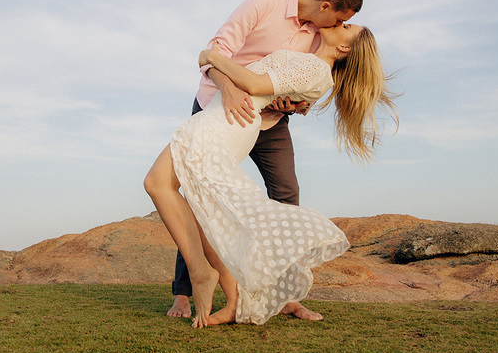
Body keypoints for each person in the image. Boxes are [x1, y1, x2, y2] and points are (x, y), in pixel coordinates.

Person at [144, 21, 396, 327]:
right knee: (202, 206)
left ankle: (202, 274)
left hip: (228, 122)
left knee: (160, 184)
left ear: (344, 47)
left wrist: (214, 58)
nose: (339, 23)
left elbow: (253, 84)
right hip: (225, 117)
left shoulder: (317, 71)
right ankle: (225, 292)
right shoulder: (310, 60)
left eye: (347, 26)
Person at [166, 0, 363, 321]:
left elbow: (302, 84)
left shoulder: (322, 34)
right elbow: (219, 48)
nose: (339, 26)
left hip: (270, 120)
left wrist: (293, 104)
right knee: (197, 193)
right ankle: (183, 292)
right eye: (339, 19)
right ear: (326, 6)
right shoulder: (266, 1)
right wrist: (228, 89)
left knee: (287, 191)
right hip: (220, 104)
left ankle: (286, 294)